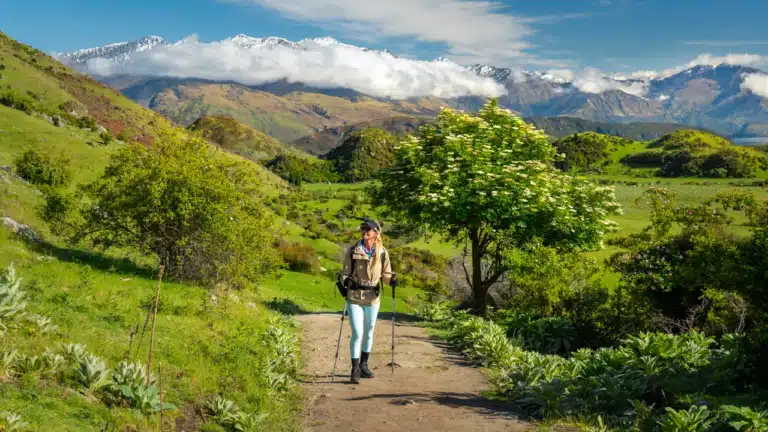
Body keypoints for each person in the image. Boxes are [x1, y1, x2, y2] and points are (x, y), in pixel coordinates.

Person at [337, 218, 397, 384]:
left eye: (368, 229)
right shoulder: (352, 251)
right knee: (357, 332)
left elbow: (386, 274)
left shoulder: (383, 252)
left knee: (369, 331)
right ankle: (354, 368)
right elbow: (344, 273)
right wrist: (346, 281)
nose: (364, 232)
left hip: (372, 297)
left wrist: (391, 281)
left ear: (376, 233)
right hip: (354, 296)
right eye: (363, 229)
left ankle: (364, 365)